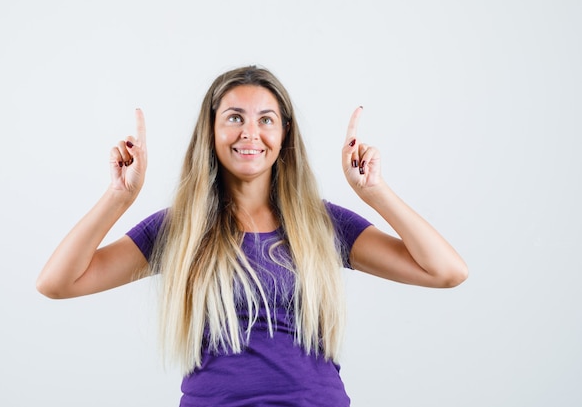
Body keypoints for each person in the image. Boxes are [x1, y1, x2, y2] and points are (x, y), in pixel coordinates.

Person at [36, 65, 468, 406]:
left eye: (266, 120)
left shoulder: (321, 224)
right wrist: (119, 198)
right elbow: (57, 283)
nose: (249, 133)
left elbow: (446, 271)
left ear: (283, 135)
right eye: (234, 118)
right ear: (212, 131)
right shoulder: (181, 228)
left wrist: (375, 193)